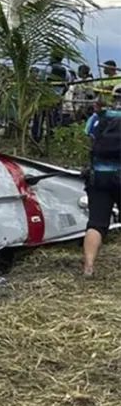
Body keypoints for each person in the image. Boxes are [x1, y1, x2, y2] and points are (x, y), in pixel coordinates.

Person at [81, 84, 121, 276]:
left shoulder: (99, 118)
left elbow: (88, 135)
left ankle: (89, 266)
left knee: (96, 223)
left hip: (98, 177)